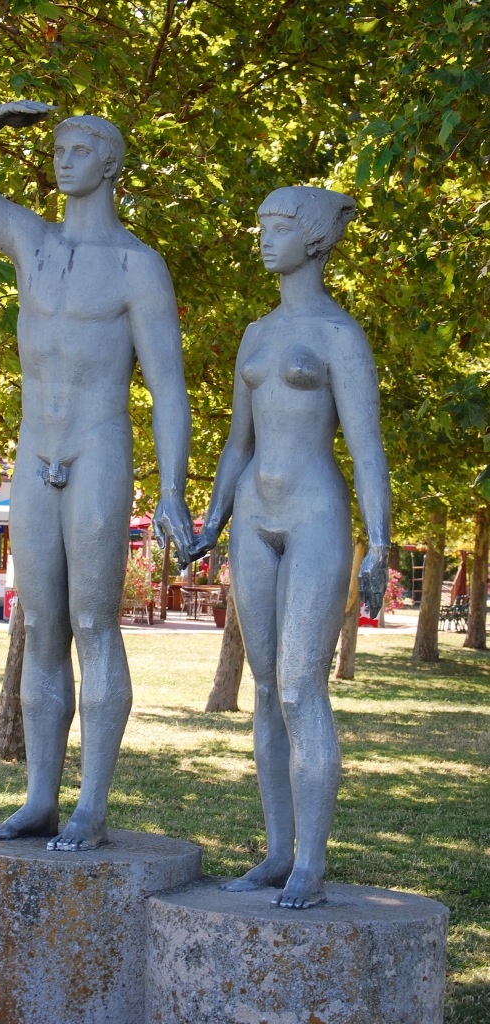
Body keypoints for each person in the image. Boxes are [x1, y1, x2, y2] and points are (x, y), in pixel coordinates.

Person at [0, 101, 194, 851]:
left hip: (97, 448)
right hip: (34, 449)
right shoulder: (32, 240)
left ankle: (92, 806)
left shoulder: (136, 266)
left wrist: (172, 490)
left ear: (110, 165)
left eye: (79, 149)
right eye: (57, 149)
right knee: (41, 623)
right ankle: (39, 799)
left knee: (93, 623)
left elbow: (167, 387)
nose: (63, 159)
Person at [191, 186, 391, 909]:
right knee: (265, 690)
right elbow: (236, 443)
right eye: (261, 225)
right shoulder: (255, 333)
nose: (264, 238)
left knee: (301, 687)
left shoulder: (340, 336)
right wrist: (211, 519)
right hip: (253, 514)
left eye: (278, 227)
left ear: (312, 239)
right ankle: (277, 853)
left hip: (314, 515)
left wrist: (380, 542)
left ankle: (310, 862)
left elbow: (366, 448)